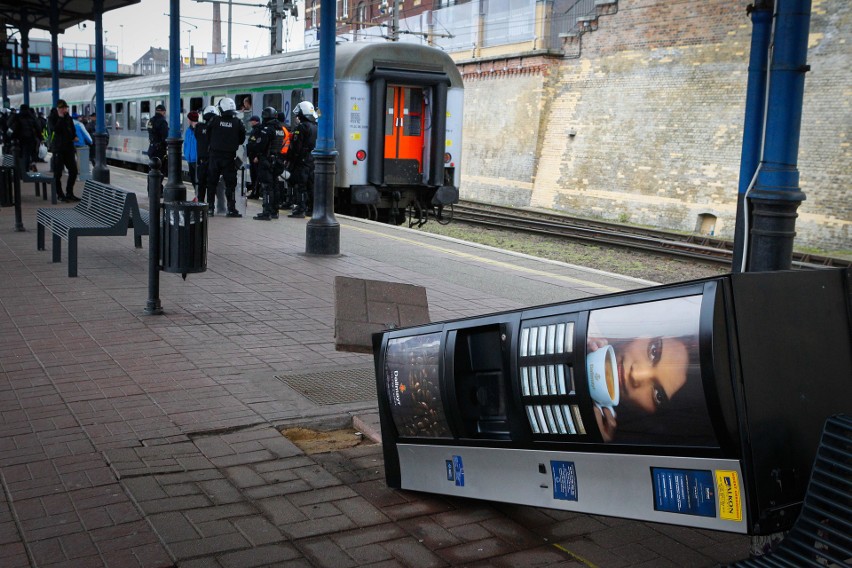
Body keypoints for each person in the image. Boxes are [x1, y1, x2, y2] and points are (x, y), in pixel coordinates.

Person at [585, 296, 715, 446]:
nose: (636, 374)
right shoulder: (592, 319)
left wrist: (592, 441)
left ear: (650, 415)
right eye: (654, 351)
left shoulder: (612, 438)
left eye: (658, 394)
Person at [206, 97, 246, 218]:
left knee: (212, 183)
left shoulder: (214, 120)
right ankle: (231, 209)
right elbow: (242, 139)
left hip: (214, 156)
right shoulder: (238, 123)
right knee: (230, 184)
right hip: (229, 158)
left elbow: (208, 135)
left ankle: (210, 208)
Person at [249, 107, 285, 221]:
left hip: (266, 160)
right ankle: (275, 211)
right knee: (275, 185)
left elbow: (260, 145)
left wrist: (256, 153)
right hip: (277, 160)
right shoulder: (280, 129)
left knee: (266, 187)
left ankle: (266, 212)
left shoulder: (267, 130)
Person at [287, 101, 317, 218]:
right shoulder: (315, 126)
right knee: (311, 185)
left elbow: (296, 146)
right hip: (312, 159)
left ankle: (301, 209)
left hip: (302, 160)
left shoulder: (302, 127)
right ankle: (311, 208)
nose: (297, 116)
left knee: (301, 185)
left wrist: (291, 159)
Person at [47, 99, 80, 202]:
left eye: (65, 108)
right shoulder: (52, 118)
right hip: (58, 148)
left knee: (73, 171)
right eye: (62, 108)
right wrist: (60, 118)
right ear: (57, 109)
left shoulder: (68, 118)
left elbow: (72, 130)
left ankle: (69, 193)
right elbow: (55, 129)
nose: (64, 110)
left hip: (69, 148)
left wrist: (74, 136)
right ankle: (60, 194)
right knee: (58, 173)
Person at [194, 105, 218, 214]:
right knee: (211, 185)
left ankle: (200, 205)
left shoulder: (199, 128)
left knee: (201, 184)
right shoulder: (216, 128)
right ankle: (211, 207)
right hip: (213, 161)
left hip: (202, 161)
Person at [9, 103, 42, 172]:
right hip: (30, 139)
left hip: (18, 140)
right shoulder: (32, 117)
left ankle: (21, 171)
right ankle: (27, 169)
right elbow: (38, 128)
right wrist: (40, 138)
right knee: (28, 154)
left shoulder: (17, 116)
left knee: (19, 155)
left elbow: (9, 124)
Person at [245, 115, 261, 199]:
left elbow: (258, 144)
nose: (250, 122)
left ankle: (255, 193)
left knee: (256, 176)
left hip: (255, 157)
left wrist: (257, 156)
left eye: (251, 121)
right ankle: (255, 192)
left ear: (255, 121)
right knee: (253, 175)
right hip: (252, 156)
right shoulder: (255, 130)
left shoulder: (258, 130)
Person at [183, 111, 199, 195]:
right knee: (193, 179)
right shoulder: (188, 130)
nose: (187, 120)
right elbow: (186, 143)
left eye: (188, 118)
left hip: (196, 159)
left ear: (191, 119)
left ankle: (198, 197)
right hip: (190, 159)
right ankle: (196, 195)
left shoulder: (199, 130)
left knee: (197, 180)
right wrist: (185, 153)